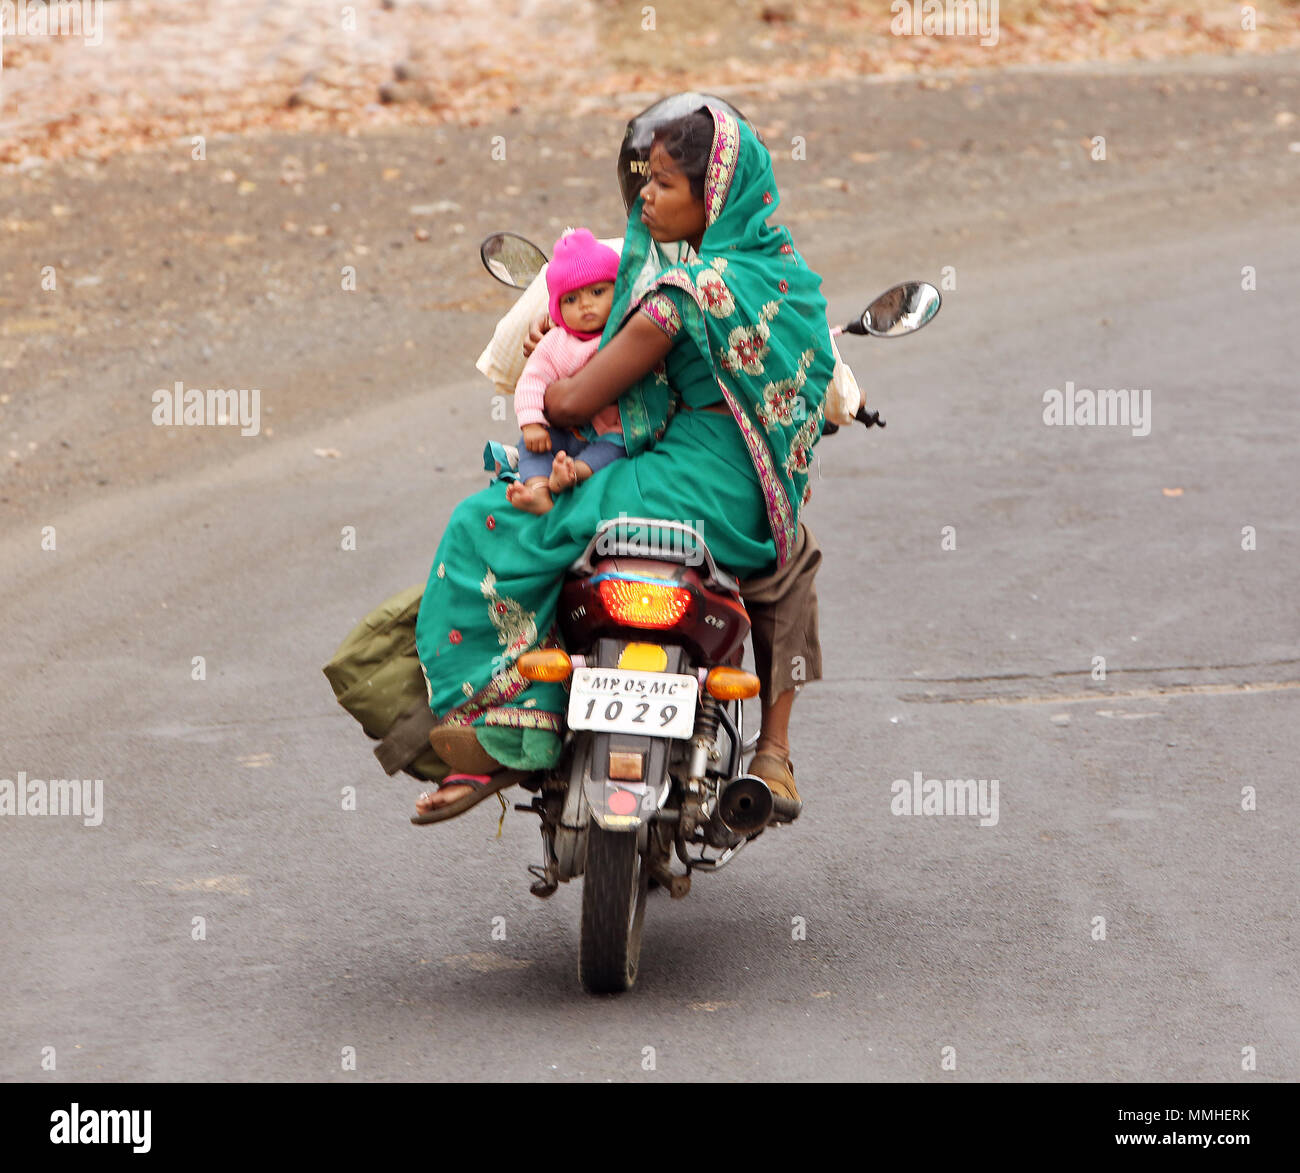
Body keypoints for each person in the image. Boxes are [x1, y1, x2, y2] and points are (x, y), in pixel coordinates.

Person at [413, 102, 835, 825]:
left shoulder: (682, 293)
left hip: (678, 488)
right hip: (752, 510)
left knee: (484, 523)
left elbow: (576, 403)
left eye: (665, 184)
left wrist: (554, 365)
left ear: (716, 196)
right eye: (646, 180)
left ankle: (507, 724)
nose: (645, 196)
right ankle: (775, 750)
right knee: (796, 556)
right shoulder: (786, 279)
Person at [505, 229, 624, 514]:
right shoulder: (556, 343)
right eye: (570, 300)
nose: (585, 305)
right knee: (530, 449)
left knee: (616, 450)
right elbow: (532, 379)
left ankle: (573, 473)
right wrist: (532, 423)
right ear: (556, 309)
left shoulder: (625, 331)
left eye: (597, 292)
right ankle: (538, 491)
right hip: (561, 430)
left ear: (619, 290)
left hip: (610, 430)